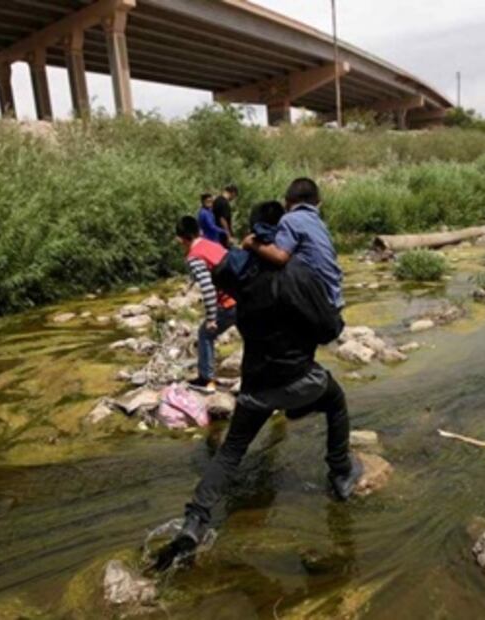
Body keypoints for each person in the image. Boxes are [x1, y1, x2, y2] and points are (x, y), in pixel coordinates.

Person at [153, 202, 360, 572]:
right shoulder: (300, 273)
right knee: (336, 401)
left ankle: (194, 524)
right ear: (282, 231)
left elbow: (222, 272)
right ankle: (341, 475)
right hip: (301, 380)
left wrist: (245, 252)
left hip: (256, 387)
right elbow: (331, 330)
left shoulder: (240, 275)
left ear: (252, 233)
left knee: (231, 452)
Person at [244, 178, 344, 310]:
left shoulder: (290, 219)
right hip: (334, 296)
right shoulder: (319, 223)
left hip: (318, 300)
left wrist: (251, 243)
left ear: (287, 201)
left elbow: (280, 257)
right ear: (317, 202)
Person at [175, 215, 236, 393]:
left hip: (229, 303)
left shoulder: (194, 256)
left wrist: (211, 318)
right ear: (199, 231)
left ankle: (207, 380)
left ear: (181, 239)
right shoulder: (212, 245)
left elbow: (208, 289)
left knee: (205, 334)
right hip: (244, 296)